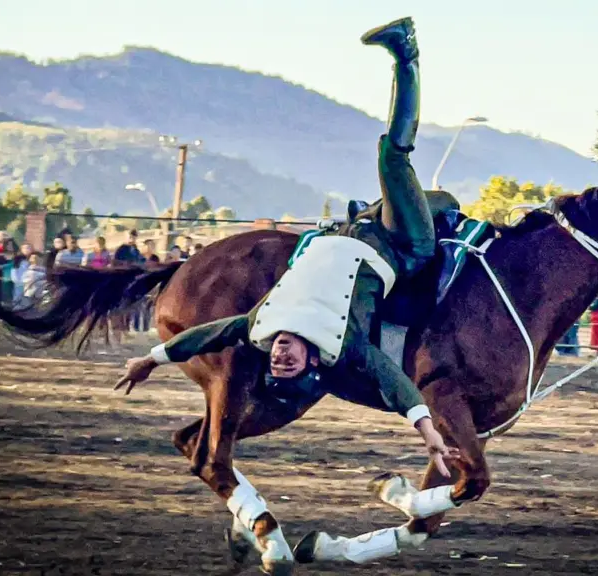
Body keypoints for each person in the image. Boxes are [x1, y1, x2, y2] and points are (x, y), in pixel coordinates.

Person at [115, 17, 459, 476]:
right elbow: (397, 385)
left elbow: (204, 335)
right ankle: (407, 53)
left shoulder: (261, 323)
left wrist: (149, 359)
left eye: (276, 363)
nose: (279, 356)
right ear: (311, 361)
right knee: (392, 158)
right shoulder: (346, 345)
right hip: (403, 244)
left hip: (357, 227)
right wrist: (429, 432)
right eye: (288, 365)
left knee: (388, 178)